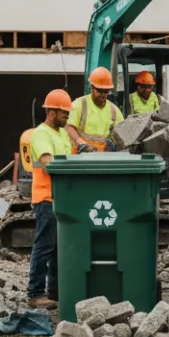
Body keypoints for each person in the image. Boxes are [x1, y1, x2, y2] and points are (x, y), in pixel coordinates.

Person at [27, 88, 73, 310]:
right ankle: (35, 293)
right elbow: (48, 162)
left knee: (56, 248)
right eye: (64, 113)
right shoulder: (41, 134)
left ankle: (54, 292)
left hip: (61, 199)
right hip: (46, 197)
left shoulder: (62, 134)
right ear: (52, 112)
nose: (67, 117)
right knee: (44, 245)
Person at [67, 67, 124, 153]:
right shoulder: (80, 105)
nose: (103, 94)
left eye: (106, 91)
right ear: (92, 87)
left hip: (101, 160)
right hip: (79, 157)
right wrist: (80, 142)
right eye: (100, 90)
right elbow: (68, 127)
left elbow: (122, 135)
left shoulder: (114, 111)